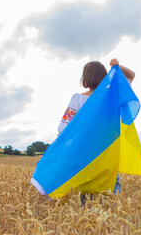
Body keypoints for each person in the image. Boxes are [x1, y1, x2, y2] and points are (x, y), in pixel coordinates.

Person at [57, 58, 135, 195]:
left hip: (82, 153)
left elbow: (63, 129)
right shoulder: (113, 97)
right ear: (104, 77)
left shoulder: (77, 99)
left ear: (85, 77)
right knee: (111, 191)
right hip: (107, 152)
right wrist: (117, 66)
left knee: (81, 190)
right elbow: (131, 75)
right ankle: (111, 214)